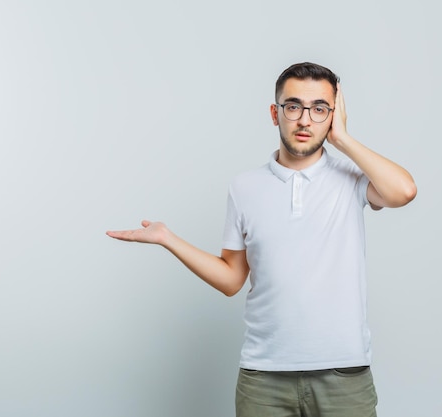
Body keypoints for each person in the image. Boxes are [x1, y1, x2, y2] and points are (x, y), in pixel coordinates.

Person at [106, 62, 416, 417]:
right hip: (264, 378)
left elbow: (404, 191)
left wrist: (342, 139)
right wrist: (167, 238)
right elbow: (231, 279)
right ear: (275, 113)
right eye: (293, 106)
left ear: (333, 115)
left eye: (320, 109)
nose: (305, 120)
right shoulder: (244, 187)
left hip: (344, 373)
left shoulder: (352, 179)